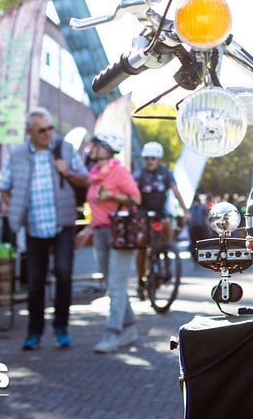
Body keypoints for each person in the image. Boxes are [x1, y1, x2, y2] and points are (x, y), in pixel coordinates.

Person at [0, 107, 89, 350]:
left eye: (50, 128)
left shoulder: (65, 149)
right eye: (42, 130)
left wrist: (67, 171)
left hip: (62, 224)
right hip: (34, 227)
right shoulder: (17, 154)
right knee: (35, 281)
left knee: (63, 273)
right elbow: (3, 187)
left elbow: (85, 179)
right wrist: (17, 209)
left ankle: (61, 328)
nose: (48, 134)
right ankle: (34, 332)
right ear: (29, 132)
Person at [83, 130, 142, 354]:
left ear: (107, 148)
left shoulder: (120, 172)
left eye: (96, 145)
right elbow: (95, 206)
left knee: (116, 286)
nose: (92, 148)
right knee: (113, 283)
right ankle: (130, 328)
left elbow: (136, 199)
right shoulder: (94, 173)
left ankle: (112, 333)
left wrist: (112, 196)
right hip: (99, 232)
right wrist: (88, 229)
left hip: (119, 233)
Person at [133, 141, 185, 297]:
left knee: (167, 236)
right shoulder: (139, 174)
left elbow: (176, 192)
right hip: (143, 214)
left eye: (153, 158)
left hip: (161, 213)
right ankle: (141, 281)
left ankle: (167, 259)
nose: (150, 161)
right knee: (142, 248)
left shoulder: (166, 173)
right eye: (147, 158)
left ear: (159, 159)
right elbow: (133, 192)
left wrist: (185, 210)